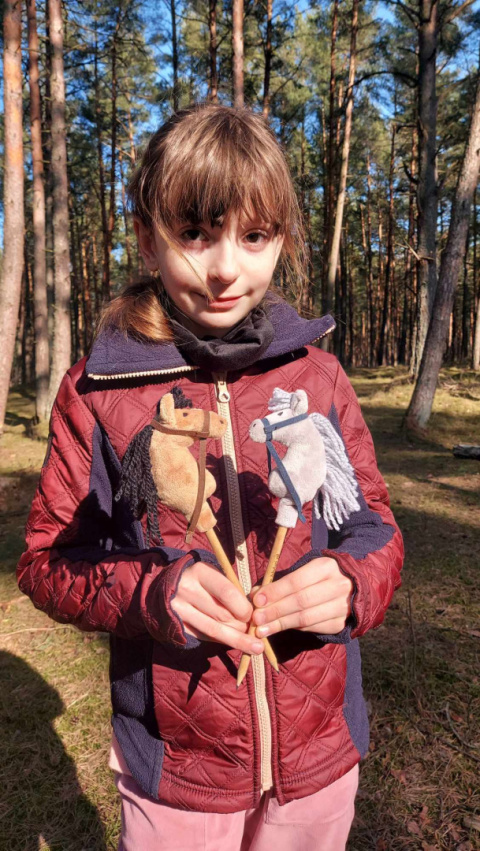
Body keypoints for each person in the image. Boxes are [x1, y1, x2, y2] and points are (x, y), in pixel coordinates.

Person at [18, 104, 404, 851]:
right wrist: (152, 591)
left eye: (254, 236)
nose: (226, 268)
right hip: (177, 770)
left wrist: (352, 583)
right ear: (147, 237)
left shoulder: (318, 377)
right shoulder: (98, 392)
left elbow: (374, 527)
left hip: (318, 756)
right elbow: (46, 561)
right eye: (196, 233)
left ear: (281, 239)